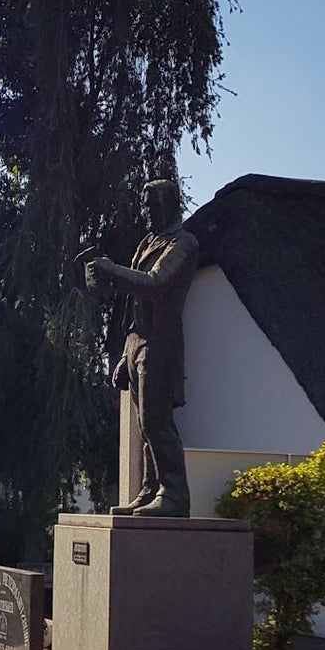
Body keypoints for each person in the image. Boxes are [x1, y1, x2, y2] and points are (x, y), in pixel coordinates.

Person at [84, 179, 198, 516]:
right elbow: (131, 299)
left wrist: (111, 269)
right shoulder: (149, 242)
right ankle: (150, 489)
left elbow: (154, 284)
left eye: (152, 205)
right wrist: (124, 352)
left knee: (156, 421)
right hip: (138, 340)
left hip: (159, 342)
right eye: (145, 205)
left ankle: (175, 494)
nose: (147, 212)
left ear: (170, 204)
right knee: (143, 423)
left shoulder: (184, 243)